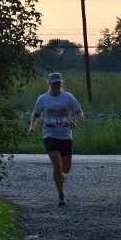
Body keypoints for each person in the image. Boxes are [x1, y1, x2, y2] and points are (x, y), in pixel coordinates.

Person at [27, 72, 84, 206]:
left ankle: (60, 177)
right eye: (54, 83)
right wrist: (32, 127)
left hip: (65, 135)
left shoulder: (68, 97)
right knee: (56, 164)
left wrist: (75, 121)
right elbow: (35, 115)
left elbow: (79, 112)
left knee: (66, 169)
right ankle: (61, 195)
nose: (56, 85)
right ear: (49, 84)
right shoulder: (42, 98)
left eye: (58, 83)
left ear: (61, 83)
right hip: (50, 134)